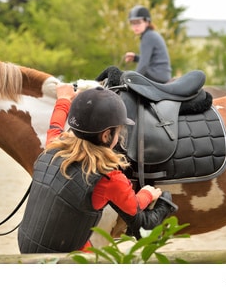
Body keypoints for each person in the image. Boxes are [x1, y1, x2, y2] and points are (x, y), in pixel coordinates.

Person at [18, 84, 178, 253]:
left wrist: (63, 100)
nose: (120, 136)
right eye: (119, 132)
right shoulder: (109, 177)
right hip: (66, 258)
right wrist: (148, 193)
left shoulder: (53, 147)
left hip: (27, 245)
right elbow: (134, 207)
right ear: (106, 135)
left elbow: (55, 126)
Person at [124, 5, 172, 83]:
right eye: (133, 23)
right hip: (161, 73)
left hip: (157, 74)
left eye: (138, 22)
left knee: (126, 77)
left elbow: (143, 65)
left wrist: (131, 81)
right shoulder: (150, 34)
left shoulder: (148, 36)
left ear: (147, 22)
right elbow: (152, 60)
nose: (135, 26)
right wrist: (136, 58)